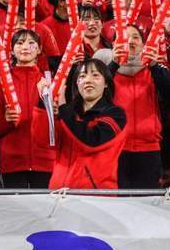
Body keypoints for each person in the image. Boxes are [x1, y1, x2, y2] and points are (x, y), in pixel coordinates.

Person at [110, 26, 170, 189]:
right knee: (116, 201)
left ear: (143, 44)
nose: (130, 41)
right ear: (114, 44)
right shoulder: (106, 72)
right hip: (115, 148)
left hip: (149, 148)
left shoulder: (156, 70)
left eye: (136, 37)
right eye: (124, 38)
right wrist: (113, 64)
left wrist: (154, 66)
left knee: (149, 201)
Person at [0, 29, 55, 188]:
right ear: (12, 50)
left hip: (45, 160)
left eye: (31, 43)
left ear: (39, 49)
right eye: (20, 43)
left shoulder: (48, 83)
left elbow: (58, 125)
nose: (25, 47)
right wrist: (6, 121)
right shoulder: (0, 85)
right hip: (12, 161)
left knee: (43, 203)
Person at [50, 58, 128, 189]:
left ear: (106, 83)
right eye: (82, 76)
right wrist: (44, 103)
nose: (88, 80)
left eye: (95, 75)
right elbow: (42, 141)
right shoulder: (67, 113)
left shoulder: (116, 114)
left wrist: (63, 108)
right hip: (58, 193)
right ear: (76, 83)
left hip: (94, 194)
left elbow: (91, 141)